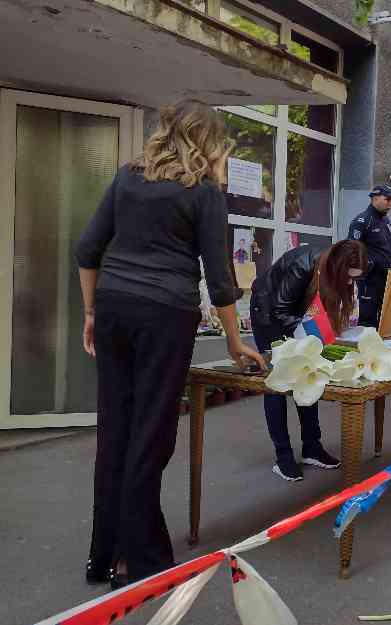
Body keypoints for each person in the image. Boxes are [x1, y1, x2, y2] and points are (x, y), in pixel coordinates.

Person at [75, 100, 266, 589]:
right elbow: (220, 279)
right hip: (165, 316)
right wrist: (235, 340)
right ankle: (135, 561)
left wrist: (92, 312)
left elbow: (87, 250)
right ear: (206, 141)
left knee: (115, 430)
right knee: (152, 434)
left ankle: (104, 555)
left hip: (115, 307)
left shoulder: (126, 178)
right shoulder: (202, 191)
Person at [250, 241, 367, 481]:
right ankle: (283, 457)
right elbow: (280, 310)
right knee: (277, 383)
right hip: (268, 311)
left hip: (296, 315)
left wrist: (322, 334)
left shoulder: (335, 269)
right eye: (347, 277)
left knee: (308, 377)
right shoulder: (302, 265)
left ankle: (312, 447)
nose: (348, 283)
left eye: (354, 279)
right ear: (337, 266)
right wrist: (312, 334)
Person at [348, 185, 391, 328]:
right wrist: (369, 265)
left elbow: (385, 248)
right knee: (367, 321)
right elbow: (352, 250)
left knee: (385, 321)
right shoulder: (362, 221)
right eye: (387, 199)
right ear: (375, 198)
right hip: (370, 280)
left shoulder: (386, 220)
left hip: (387, 278)